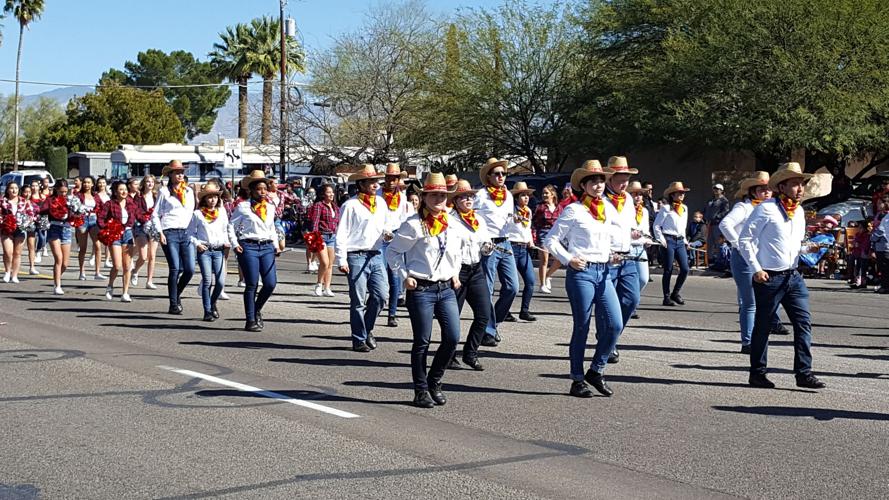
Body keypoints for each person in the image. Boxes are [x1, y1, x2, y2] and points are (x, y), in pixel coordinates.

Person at [738, 162, 826, 389]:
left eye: (802, 184)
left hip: (793, 277)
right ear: (782, 186)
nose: (800, 188)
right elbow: (745, 239)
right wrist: (756, 268)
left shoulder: (799, 212)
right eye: (795, 184)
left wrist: (809, 249)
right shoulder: (766, 208)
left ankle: (803, 373)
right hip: (769, 277)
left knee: (803, 323)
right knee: (763, 326)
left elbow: (794, 245)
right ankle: (757, 373)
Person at [544, 160, 625, 398]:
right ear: (584, 184)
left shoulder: (607, 209)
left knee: (615, 325)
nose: (599, 185)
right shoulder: (574, 210)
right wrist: (569, 259)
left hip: (604, 272)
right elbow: (550, 240)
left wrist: (611, 255)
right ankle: (577, 379)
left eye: (601, 180)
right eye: (594, 181)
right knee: (582, 326)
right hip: (582, 273)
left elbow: (604, 240)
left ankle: (596, 370)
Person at [385, 172, 463, 408]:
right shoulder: (413, 225)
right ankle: (420, 390)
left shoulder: (452, 222)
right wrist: (404, 276)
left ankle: (434, 381)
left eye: (442, 195)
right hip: (421, 289)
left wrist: (456, 272)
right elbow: (392, 253)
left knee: (452, 338)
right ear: (425, 197)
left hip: (446, 288)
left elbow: (457, 251)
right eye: (434, 195)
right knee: (422, 341)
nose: (439, 199)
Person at [719, 171, 790, 354]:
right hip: (744, 258)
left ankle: (769, 326)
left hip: (763, 258)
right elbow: (725, 224)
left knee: (766, 297)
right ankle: (748, 341)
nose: (767, 193)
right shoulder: (744, 207)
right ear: (753, 191)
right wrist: (738, 244)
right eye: (762, 189)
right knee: (749, 302)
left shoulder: (774, 208)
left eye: (769, 190)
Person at [335, 164, 390, 352]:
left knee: (381, 296)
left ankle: (367, 329)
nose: (375, 185)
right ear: (361, 184)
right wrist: (341, 259)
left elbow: (385, 225)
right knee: (358, 300)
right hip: (356, 255)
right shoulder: (350, 205)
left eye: (376, 181)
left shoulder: (381, 203)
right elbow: (341, 233)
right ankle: (359, 338)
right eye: (371, 181)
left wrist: (387, 234)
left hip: (376, 254)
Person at [598, 156, 644, 363]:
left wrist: (633, 232)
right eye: (620, 178)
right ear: (609, 178)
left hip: (628, 256)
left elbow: (628, 224)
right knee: (605, 304)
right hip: (607, 257)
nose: (624, 182)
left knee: (631, 299)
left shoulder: (627, 199)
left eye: (626, 178)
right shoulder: (600, 199)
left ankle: (611, 336)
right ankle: (607, 340)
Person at [447, 179, 492, 371]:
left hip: (475, 270)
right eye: (463, 197)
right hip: (457, 272)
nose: (468, 200)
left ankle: (470, 353)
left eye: (470, 196)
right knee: (452, 318)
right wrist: (452, 274)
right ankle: (448, 356)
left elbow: (485, 244)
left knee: (484, 314)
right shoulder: (450, 220)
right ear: (456, 200)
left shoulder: (478, 220)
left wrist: (488, 248)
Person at [228, 171, 281, 331]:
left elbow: (271, 227)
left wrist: (276, 244)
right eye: (259, 189)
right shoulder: (243, 207)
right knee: (251, 284)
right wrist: (234, 244)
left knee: (270, 283)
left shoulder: (270, 207)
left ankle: (256, 308)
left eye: (264, 189)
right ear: (251, 190)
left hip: (267, 246)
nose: (262, 192)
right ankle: (250, 319)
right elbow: (231, 226)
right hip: (248, 246)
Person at [474, 158, 518, 346]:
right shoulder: (481, 195)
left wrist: (515, 219)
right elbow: (473, 220)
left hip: (506, 242)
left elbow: (508, 217)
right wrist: (482, 240)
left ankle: (493, 323)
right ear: (489, 177)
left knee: (512, 287)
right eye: (497, 174)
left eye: (504, 174)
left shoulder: (508, 195)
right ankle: (488, 330)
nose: (501, 177)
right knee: (488, 288)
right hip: (489, 244)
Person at [153, 160, 196, 315]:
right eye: (176, 172)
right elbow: (155, 214)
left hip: (186, 232)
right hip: (169, 231)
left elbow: (193, 213)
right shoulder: (164, 192)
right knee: (175, 268)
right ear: (170, 175)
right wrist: (160, 232)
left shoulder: (189, 191)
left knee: (189, 269)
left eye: (181, 172)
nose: (180, 175)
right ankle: (173, 303)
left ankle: (176, 294)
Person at [189, 184, 231, 322]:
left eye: (214, 197)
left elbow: (225, 229)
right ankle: (207, 311)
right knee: (207, 280)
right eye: (209, 197)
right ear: (204, 199)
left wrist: (226, 241)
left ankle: (212, 303)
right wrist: (198, 244)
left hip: (219, 250)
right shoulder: (198, 214)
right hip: (205, 250)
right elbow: (189, 233)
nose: (212, 200)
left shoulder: (222, 212)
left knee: (220, 282)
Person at [380, 163, 414, 327]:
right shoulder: (378, 195)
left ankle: (392, 314)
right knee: (379, 277)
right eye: (390, 177)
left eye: (395, 178)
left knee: (394, 278)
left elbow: (403, 218)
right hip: (379, 240)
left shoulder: (402, 198)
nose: (392, 181)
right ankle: (376, 305)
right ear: (385, 178)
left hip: (394, 238)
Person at [97, 180, 142, 302]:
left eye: (125, 190)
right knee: (117, 265)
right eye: (121, 190)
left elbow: (140, 216)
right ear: (115, 191)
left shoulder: (131, 204)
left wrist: (150, 219)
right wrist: (106, 227)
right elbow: (100, 218)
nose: (124, 192)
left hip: (127, 234)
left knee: (127, 266)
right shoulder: (109, 204)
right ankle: (110, 285)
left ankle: (125, 293)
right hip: (114, 234)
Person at [501, 181, 537, 322]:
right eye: (523, 195)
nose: (526, 198)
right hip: (512, 247)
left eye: (527, 195)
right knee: (510, 283)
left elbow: (527, 229)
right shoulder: (510, 211)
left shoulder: (527, 211)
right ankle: (505, 311)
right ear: (516, 198)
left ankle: (524, 310)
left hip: (523, 249)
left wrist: (530, 241)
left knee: (530, 281)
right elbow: (506, 225)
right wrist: (512, 218)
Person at [654, 181, 691, 306]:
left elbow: (682, 226)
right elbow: (657, 225)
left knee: (685, 268)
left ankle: (676, 292)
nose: (681, 195)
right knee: (668, 269)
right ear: (672, 195)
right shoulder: (666, 208)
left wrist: (685, 240)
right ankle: (666, 296)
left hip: (680, 240)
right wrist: (662, 239)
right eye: (679, 193)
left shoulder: (684, 208)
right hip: (668, 239)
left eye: (683, 193)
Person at [39, 180, 79, 295]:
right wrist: (50, 210)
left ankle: (57, 278)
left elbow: (76, 213)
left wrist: (76, 212)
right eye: (61, 191)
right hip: (54, 229)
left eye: (66, 191)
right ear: (56, 189)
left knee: (65, 263)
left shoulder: (70, 200)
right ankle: (57, 285)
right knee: (59, 258)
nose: (64, 194)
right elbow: (42, 212)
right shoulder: (50, 200)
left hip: (66, 229)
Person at [1, 182, 36, 283]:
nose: (14, 190)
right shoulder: (2, 201)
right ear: (7, 190)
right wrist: (4, 220)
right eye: (11, 188)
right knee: (8, 252)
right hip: (6, 229)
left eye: (16, 188)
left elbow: (31, 214)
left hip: (20, 229)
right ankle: (7, 271)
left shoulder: (24, 201)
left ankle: (15, 275)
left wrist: (27, 222)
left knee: (17, 253)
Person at [309, 184, 339, 297]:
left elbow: (337, 222)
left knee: (330, 264)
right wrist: (315, 237)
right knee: (324, 262)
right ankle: (318, 284)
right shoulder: (318, 205)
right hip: (321, 236)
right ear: (323, 194)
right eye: (328, 192)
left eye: (332, 192)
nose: (331, 194)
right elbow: (315, 222)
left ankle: (327, 287)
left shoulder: (335, 207)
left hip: (332, 236)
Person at [626, 182, 652, 315]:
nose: (638, 197)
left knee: (643, 279)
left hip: (640, 247)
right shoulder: (624, 210)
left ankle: (631, 301)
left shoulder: (645, 211)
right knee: (628, 279)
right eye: (634, 194)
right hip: (628, 247)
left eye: (640, 194)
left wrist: (648, 239)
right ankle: (631, 305)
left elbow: (645, 229)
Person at [132, 175, 160, 290]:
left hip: (153, 226)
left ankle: (149, 281)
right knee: (143, 256)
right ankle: (135, 271)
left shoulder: (156, 196)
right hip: (141, 226)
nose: (150, 184)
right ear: (144, 183)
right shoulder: (138, 197)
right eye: (148, 182)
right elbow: (136, 211)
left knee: (152, 255)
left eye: (152, 182)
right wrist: (144, 220)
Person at [75, 176, 104, 281]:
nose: (86, 184)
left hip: (94, 220)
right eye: (85, 182)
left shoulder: (95, 196)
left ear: (92, 184)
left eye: (88, 182)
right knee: (83, 248)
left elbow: (101, 207)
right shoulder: (78, 195)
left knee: (97, 246)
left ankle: (97, 272)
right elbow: (74, 207)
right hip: (82, 220)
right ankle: (82, 271)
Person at [532, 184, 559, 294]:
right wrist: (534, 236)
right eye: (543, 193)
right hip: (543, 234)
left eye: (546, 193)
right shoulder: (540, 207)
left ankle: (548, 275)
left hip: (555, 235)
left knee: (559, 258)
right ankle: (542, 284)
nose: (544, 195)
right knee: (544, 260)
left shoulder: (558, 207)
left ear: (552, 194)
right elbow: (534, 222)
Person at [704, 183, 730, 261]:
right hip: (709, 224)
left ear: (721, 190)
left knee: (718, 242)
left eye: (718, 189)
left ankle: (720, 261)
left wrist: (716, 217)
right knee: (709, 243)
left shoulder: (724, 200)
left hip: (718, 224)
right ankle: (710, 260)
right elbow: (706, 209)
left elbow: (725, 211)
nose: (716, 190)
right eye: (714, 189)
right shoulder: (711, 200)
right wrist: (705, 217)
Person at [850, 220, 873, 289]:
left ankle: (862, 282)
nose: (859, 229)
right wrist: (855, 244)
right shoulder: (857, 234)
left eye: (860, 227)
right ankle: (856, 280)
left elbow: (866, 245)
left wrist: (858, 245)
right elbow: (854, 242)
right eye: (858, 227)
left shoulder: (867, 235)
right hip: (856, 253)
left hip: (863, 253)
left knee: (862, 268)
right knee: (855, 266)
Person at [872, 213, 889, 294]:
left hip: (883, 248)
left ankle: (885, 287)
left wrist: (873, 238)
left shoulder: (885, 219)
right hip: (884, 247)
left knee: (884, 268)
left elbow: (879, 232)